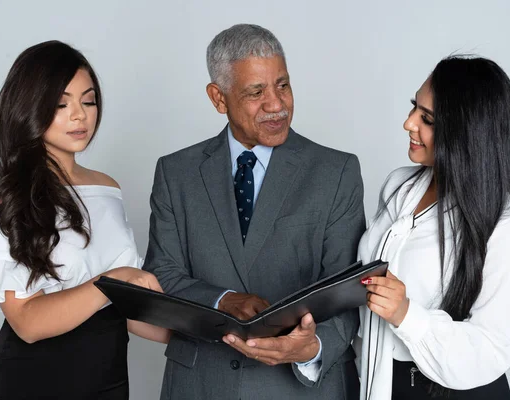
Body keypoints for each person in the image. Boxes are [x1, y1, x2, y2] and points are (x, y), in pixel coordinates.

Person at [142, 24, 365, 400]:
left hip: (303, 388)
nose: (276, 105)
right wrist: (225, 299)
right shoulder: (175, 172)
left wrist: (311, 348)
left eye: (283, 85)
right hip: (201, 385)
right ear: (218, 98)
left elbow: (347, 291)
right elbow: (162, 274)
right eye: (256, 92)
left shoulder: (336, 171)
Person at [0, 40, 169, 400]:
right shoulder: (5, 199)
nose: (80, 115)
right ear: (30, 106)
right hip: (32, 382)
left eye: (88, 101)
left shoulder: (109, 189)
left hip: (108, 381)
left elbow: (130, 309)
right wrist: (114, 279)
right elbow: (27, 322)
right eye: (61, 104)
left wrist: (216, 331)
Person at [358, 56, 510, 400]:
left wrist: (406, 314)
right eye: (414, 108)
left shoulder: (509, 230)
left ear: (466, 133)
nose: (408, 123)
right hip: (385, 382)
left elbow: (490, 349)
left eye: (426, 118)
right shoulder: (399, 187)